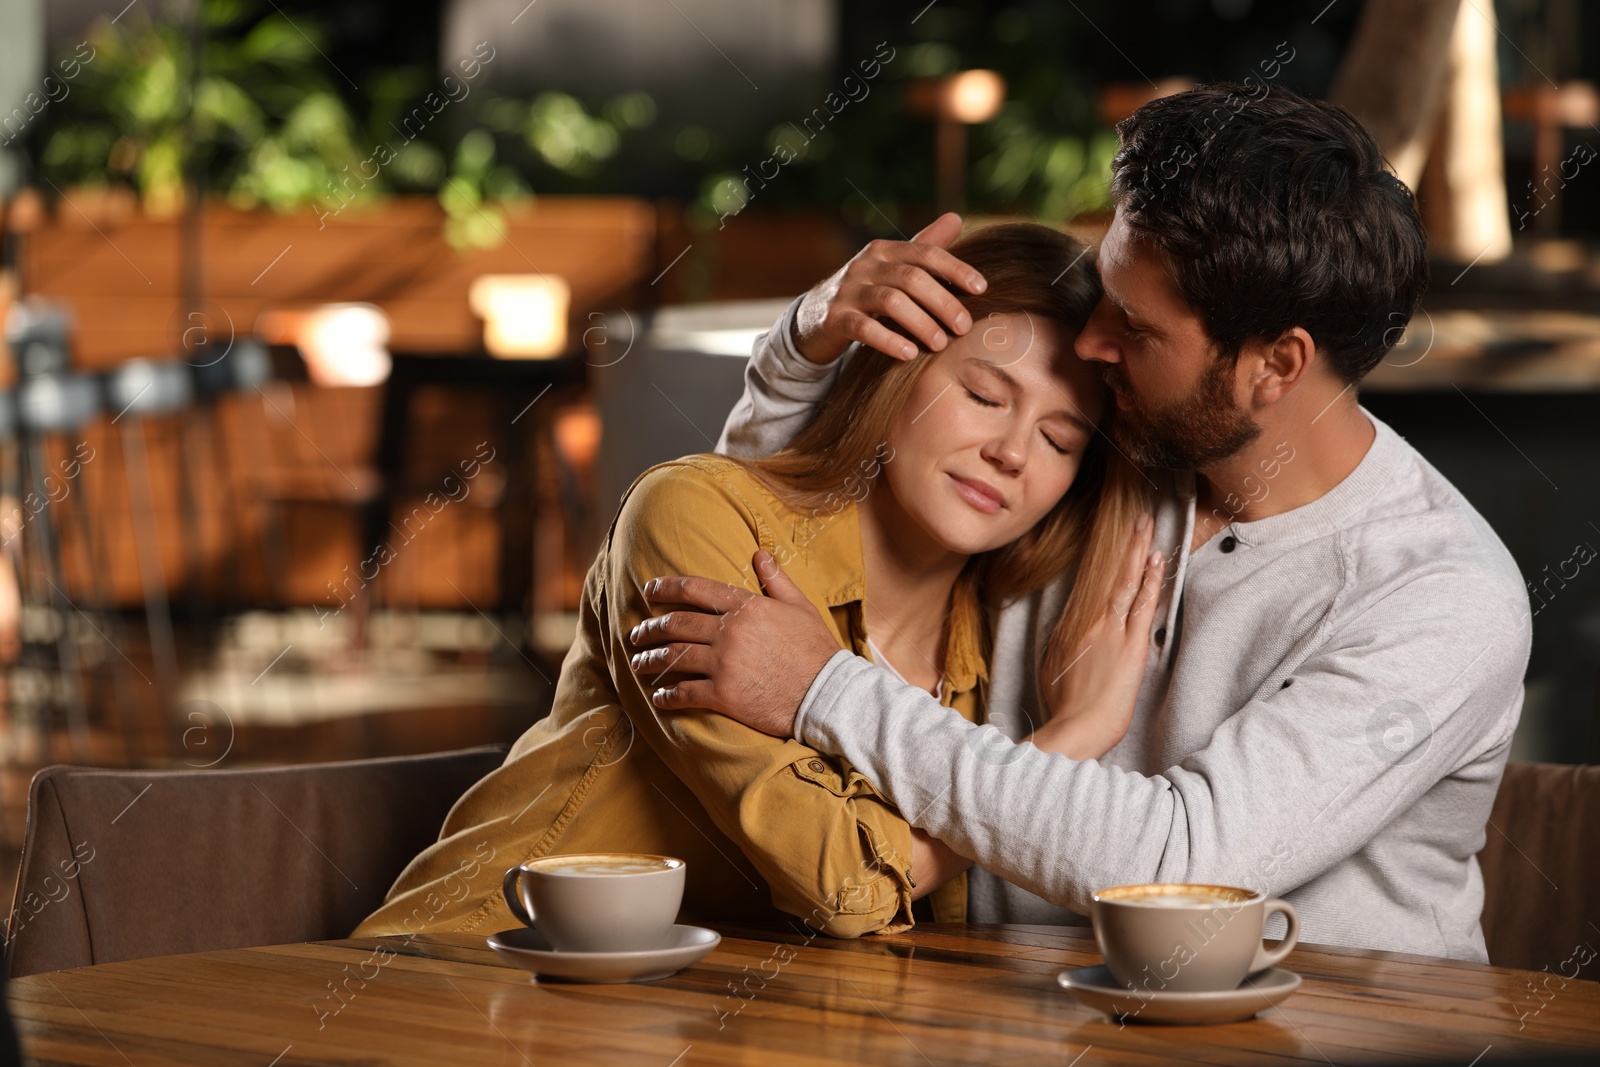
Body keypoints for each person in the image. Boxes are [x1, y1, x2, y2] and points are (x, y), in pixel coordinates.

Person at [629, 84, 1532, 962]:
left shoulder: (1442, 598)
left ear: (1276, 364)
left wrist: (825, 691)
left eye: (1136, 328)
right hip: (989, 1019)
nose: (1093, 345)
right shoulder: (1102, 444)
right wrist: (803, 347)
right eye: (1104, 292)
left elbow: (1180, 864)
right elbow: (805, 536)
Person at [354, 221, 1157, 940]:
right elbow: (845, 889)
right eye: (985, 394)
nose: (1012, 452)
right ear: (895, 372)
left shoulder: (984, 659)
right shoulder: (695, 517)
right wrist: (1067, 741)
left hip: (671, 1028)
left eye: (1059, 440)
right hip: (462, 977)